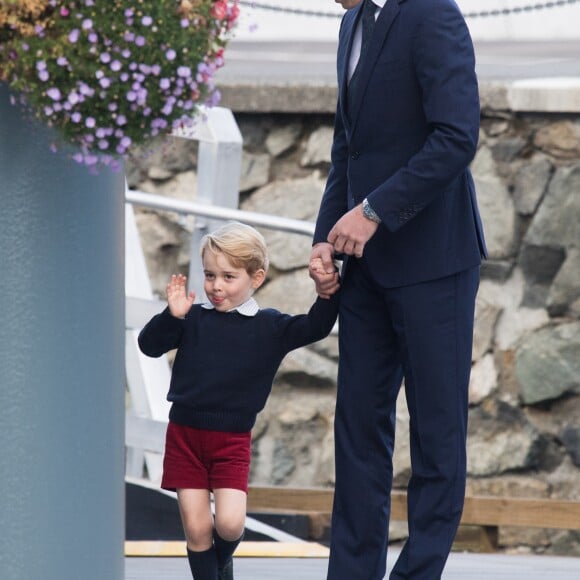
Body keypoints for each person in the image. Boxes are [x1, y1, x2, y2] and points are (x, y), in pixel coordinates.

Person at [309, 1, 487, 578]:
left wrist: (375, 210)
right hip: (363, 270)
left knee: (437, 437)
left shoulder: (433, 13)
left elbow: (456, 137)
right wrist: (324, 239)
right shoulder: (351, 22)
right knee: (358, 433)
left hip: (435, 264)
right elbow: (348, 145)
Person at [138, 221, 339, 580]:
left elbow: (315, 326)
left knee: (229, 526)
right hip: (184, 437)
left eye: (228, 277)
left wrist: (327, 292)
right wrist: (172, 315)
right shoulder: (192, 318)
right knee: (197, 530)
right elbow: (149, 346)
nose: (216, 286)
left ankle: (223, 564)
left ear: (256, 278)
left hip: (231, 442)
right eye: (210, 275)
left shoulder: (271, 327)